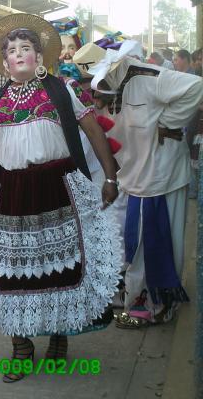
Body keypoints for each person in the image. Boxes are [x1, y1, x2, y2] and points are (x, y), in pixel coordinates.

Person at [0, 14, 121, 383]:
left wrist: (110, 176)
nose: (19, 54)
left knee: (60, 266)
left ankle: (59, 337)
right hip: (12, 193)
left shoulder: (60, 90)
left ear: (40, 57)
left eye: (26, 48)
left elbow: (92, 129)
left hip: (56, 189)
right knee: (11, 275)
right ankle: (21, 348)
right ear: (5, 62)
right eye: (12, 51)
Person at [87, 40, 203, 328]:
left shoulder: (149, 77)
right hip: (135, 176)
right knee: (136, 241)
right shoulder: (110, 88)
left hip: (162, 176)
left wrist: (170, 121)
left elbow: (195, 87)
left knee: (161, 240)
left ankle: (161, 305)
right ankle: (140, 299)